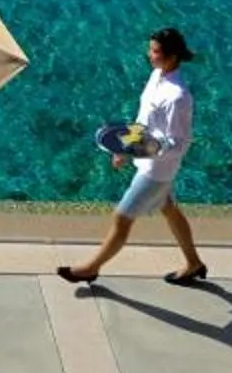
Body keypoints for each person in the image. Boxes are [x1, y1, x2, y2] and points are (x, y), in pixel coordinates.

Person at [59, 27, 209, 287]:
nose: (149, 55)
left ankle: (90, 269)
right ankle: (193, 263)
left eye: (155, 51)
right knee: (170, 210)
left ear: (172, 56)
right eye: (150, 49)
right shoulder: (156, 76)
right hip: (147, 161)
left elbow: (178, 143)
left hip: (156, 171)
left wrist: (142, 150)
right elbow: (143, 121)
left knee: (122, 218)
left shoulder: (178, 97)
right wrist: (124, 148)